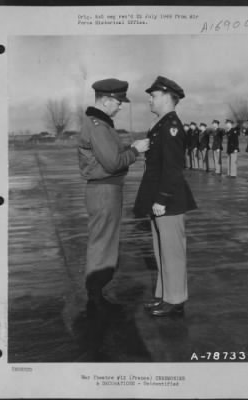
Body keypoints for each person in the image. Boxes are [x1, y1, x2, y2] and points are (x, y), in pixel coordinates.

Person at [77, 78, 149, 309]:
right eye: (118, 102)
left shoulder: (100, 124)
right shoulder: (98, 125)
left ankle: (96, 292)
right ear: (107, 100)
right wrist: (135, 151)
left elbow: (111, 158)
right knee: (103, 242)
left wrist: (129, 149)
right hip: (105, 190)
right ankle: (95, 296)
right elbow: (113, 162)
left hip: (107, 189)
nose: (120, 106)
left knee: (105, 241)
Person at [134, 76, 197, 317]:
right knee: (161, 250)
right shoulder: (159, 124)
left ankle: (176, 299)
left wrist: (161, 198)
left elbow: (173, 167)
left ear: (169, 97)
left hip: (167, 200)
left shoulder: (170, 126)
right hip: (158, 199)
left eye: (154, 95)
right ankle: (164, 295)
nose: (150, 99)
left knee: (172, 252)